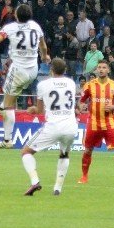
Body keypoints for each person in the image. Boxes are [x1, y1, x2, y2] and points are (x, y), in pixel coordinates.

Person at [0, 4, 50, 149]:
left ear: (16, 16)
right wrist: (44, 57)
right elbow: (43, 47)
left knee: (7, 106)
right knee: (9, 103)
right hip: (33, 70)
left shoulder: (10, 28)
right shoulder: (36, 26)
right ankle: (5, 133)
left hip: (18, 70)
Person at [21, 58, 78, 196]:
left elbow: (40, 110)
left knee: (26, 152)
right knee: (64, 154)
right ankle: (57, 188)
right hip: (71, 126)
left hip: (53, 126)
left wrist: (32, 109)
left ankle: (35, 182)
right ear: (65, 70)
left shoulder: (42, 85)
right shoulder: (71, 83)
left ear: (51, 69)